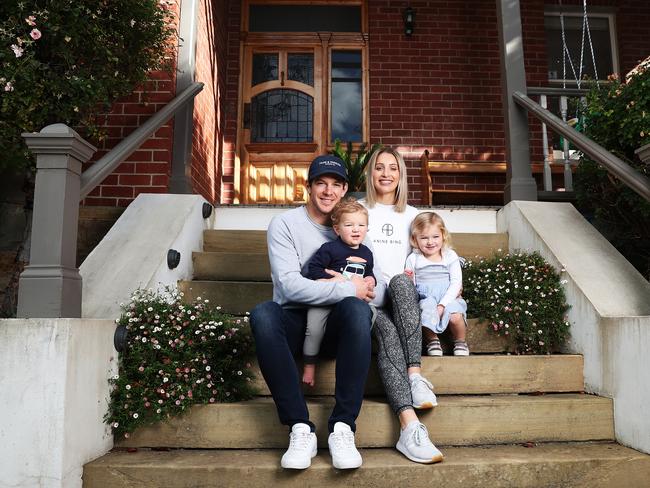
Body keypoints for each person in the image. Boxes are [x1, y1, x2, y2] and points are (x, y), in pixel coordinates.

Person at [250, 155, 385, 471]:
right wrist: (347, 287)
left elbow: (367, 287)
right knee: (263, 314)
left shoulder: (354, 227)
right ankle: (300, 427)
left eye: (335, 184)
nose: (328, 191)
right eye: (320, 183)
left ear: (344, 189)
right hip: (297, 321)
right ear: (308, 187)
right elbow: (290, 286)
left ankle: (342, 428)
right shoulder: (285, 225)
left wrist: (359, 289)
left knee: (355, 309)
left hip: (339, 324)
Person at [361, 147, 444, 464]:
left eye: (392, 168)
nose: (385, 173)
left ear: (401, 174)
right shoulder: (357, 209)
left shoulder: (414, 216)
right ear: (371, 173)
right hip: (371, 301)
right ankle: (410, 427)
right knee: (386, 331)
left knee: (400, 281)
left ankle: (414, 376)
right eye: (379, 167)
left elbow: (436, 256)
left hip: (404, 298)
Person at [302, 198, 375, 387]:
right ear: (337, 229)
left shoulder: (366, 253)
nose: (356, 229)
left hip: (350, 306)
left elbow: (369, 272)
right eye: (349, 225)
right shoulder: (330, 249)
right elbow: (313, 270)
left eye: (361, 225)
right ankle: (309, 365)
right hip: (326, 299)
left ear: (367, 228)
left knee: (366, 319)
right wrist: (331, 280)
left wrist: (370, 280)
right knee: (314, 328)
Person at [405, 212, 469, 357]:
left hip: (449, 296)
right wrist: (409, 279)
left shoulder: (449, 255)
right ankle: (432, 340)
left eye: (435, 237)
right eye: (424, 238)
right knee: (426, 311)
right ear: (415, 239)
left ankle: (460, 341)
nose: (430, 242)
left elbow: (456, 282)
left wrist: (443, 305)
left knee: (455, 315)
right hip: (426, 297)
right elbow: (411, 285)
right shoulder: (414, 258)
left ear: (443, 236)